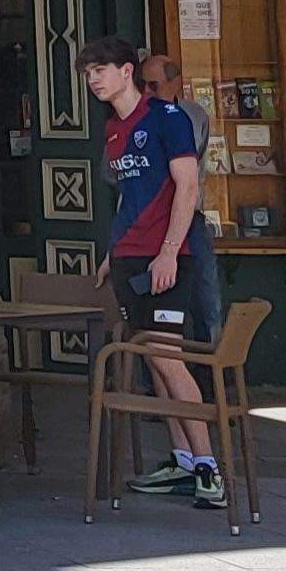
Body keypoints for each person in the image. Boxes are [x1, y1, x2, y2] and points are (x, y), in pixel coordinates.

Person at [87, 35, 227, 508]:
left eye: (100, 70)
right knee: (151, 355)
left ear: (127, 71)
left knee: (169, 356)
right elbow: (129, 194)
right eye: (88, 73)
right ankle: (183, 460)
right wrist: (114, 251)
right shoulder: (113, 129)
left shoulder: (167, 119)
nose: (93, 80)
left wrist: (169, 251)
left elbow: (187, 185)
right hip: (130, 256)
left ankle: (210, 467)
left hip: (169, 256)